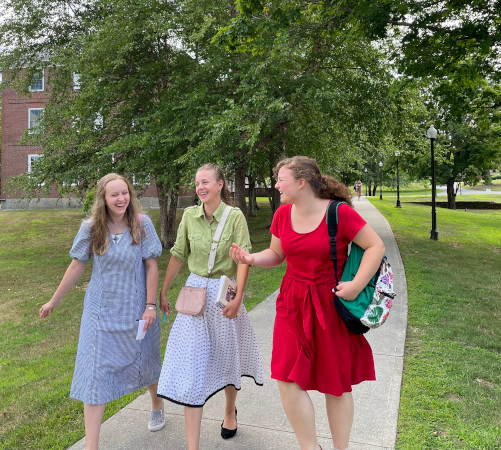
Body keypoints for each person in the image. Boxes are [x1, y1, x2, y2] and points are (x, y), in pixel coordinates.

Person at [229, 156, 386, 450]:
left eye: (280, 179)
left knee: (335, 383)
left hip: (331, 303)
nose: (276, 185)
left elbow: (375, 246)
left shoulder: (338, 213)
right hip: (292, 301)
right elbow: (277, 255)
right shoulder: (282, 214)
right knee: (286, 376)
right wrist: (251, 258)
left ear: (301, 183)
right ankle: (310, 447)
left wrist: (355, 286)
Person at [39, 173, 165, 450]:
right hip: (100, 314)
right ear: (104, 199)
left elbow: (151, 265)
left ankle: (157, 403)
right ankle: (91, 446)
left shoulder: (142, 224)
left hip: (137, 310)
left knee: (146, 362)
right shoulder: (91, 228)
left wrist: (150, 305)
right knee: (94, 374)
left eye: (125, 193)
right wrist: (53, 301)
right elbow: (76, 266)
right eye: (114, 195)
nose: (121, 199)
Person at [157, 163, 263, 450]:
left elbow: (243, 258)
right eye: (197, 183)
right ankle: (193, 447)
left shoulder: (235, 216)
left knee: (228, 358)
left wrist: (239, 297)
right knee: (191, 369)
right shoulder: (190, 216)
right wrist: (164, 290)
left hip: (224, 294)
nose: (200, 187)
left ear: (220, 184)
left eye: (205, 182)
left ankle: (230, 411)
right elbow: (179, 254)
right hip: (194, 295)